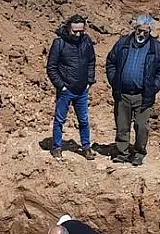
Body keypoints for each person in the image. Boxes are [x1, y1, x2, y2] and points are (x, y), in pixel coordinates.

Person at [105, 14, 160, 166]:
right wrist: (114, 81)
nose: (141, 34)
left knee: (141, 126)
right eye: (139, 31)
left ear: (150, 32)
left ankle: (139, 153)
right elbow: (111, 62)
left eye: (145, 32)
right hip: (123, 93)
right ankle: (122, 152)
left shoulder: (156, 48)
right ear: (134, 29)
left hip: (143, 95)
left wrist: (154, 87)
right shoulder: (122, 44)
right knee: (122, 125)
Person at [46, 14, 97, 161]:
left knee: (84, 120)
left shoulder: (86, 41)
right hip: (66, 90)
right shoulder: (59, 43)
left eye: (80, 31)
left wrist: (89, 81)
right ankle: (56, 147)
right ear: (68, 28)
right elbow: (51, 68)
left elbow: (91, 61)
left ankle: (86, 148)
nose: (78, 34)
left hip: (82, 89)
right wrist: (61, 86)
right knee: (59, 120)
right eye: (75, 31)